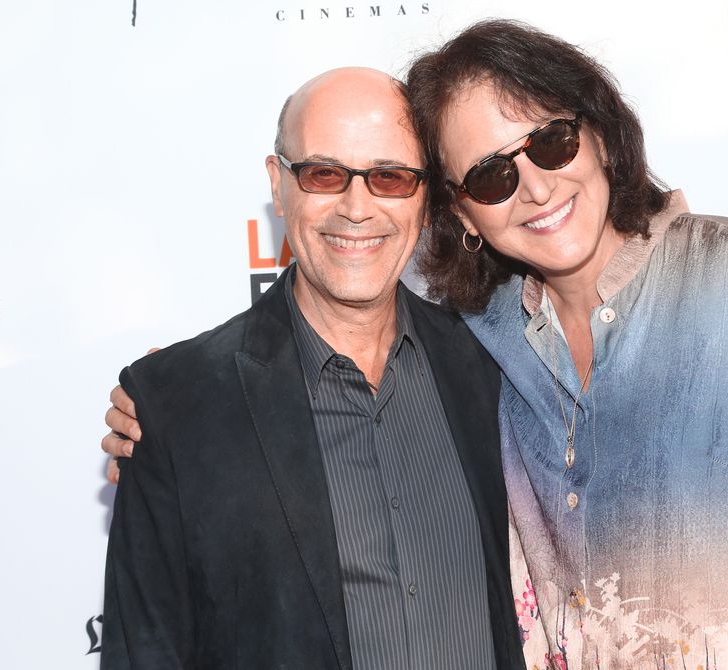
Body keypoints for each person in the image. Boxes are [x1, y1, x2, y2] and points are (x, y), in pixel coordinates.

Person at [104, 20, 728, 669]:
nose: (534, 185)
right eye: (492, 176)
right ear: (460, 213)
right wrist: (164, 437)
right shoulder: (490, 346)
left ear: (600, 133)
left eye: (551, 141)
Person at [99, 67, 522, 670]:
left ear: (426, 197)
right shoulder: (174, 407)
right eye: (323, 173)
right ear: (279, 185)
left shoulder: (491, 367)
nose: (357, 208)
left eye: (390, 177)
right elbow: (146, 653)